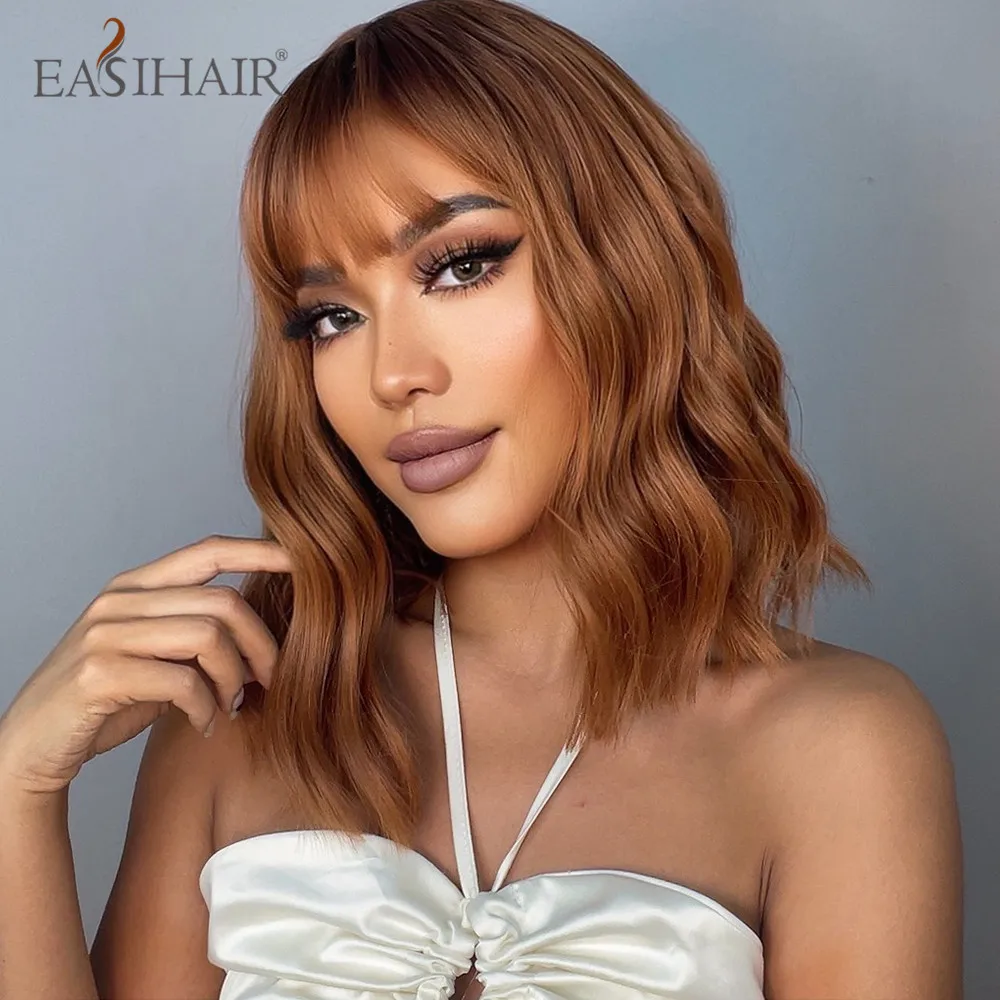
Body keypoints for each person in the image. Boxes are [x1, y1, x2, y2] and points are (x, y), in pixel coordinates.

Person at [0, 1, 963, 998]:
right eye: (330, 317)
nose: (393, 375)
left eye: (460, 266)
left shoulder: (839, 749)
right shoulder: (238, 715)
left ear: (631, 265)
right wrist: (17, 790)